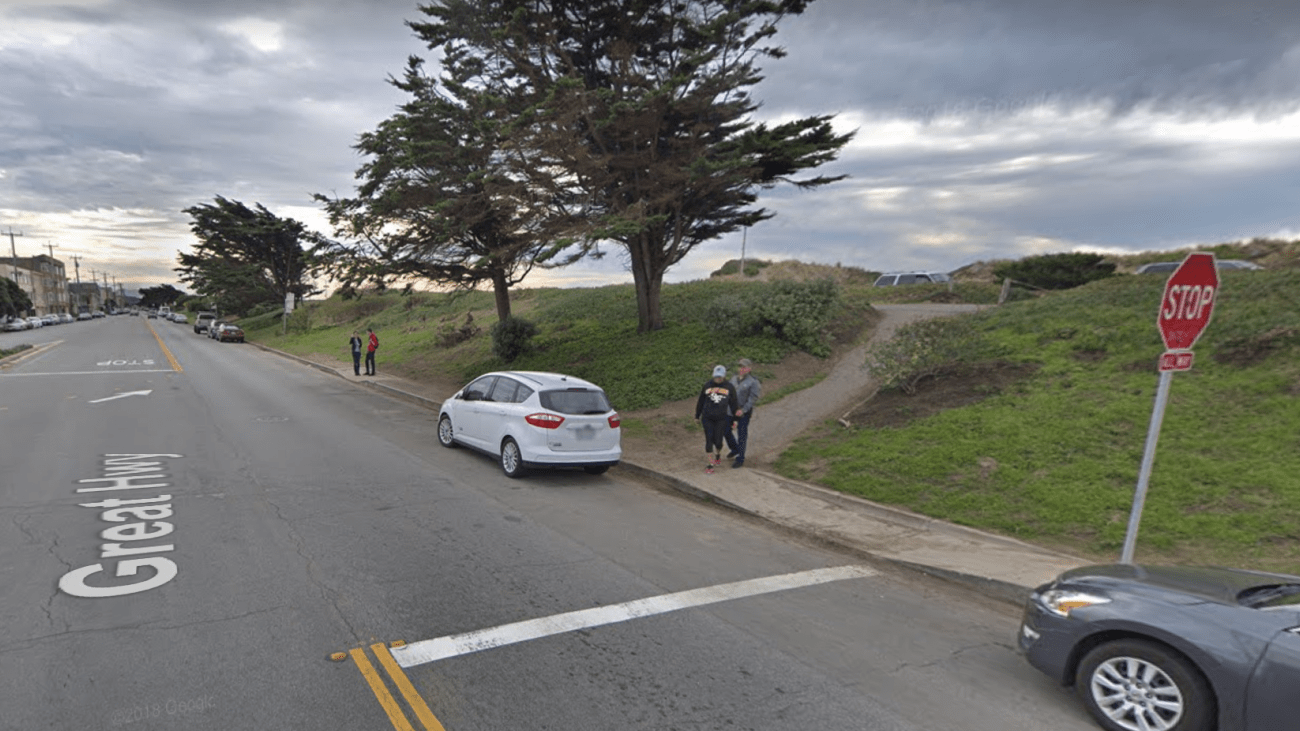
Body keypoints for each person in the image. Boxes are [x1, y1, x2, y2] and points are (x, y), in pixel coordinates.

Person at [694, 365, 738, 474]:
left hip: (721, 418)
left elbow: (734, 404)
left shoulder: (729, 387)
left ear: (724, 376)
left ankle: (717, 454)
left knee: (718, 441)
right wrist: (697, 415)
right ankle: (710, 464)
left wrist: (735, 419)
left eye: (720, 377)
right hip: (707, 417)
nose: (718, 379)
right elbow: (701, 401)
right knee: (709, 440)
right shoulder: (707, 385)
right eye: (716, 377)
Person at [724, 357, 762, 468]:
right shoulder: (733, 379)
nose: (741, 369)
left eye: (744, 367)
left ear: (749, 369)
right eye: (740, 366)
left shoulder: (753, 382)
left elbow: (753, 398)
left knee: (742, 434)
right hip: (730, 410)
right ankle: (734, 448)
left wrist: (743, 410)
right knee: (725, 429)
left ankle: (740, 458)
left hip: (743, 412)